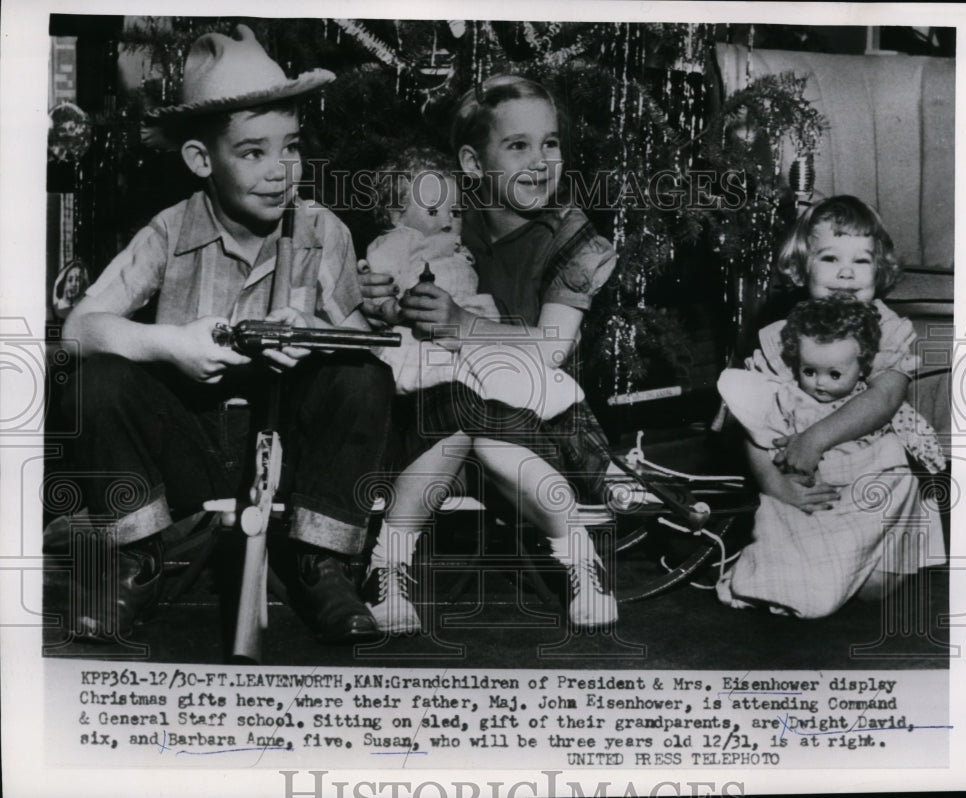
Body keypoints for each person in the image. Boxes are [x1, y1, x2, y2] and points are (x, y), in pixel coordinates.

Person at [61, 25, 394, 644]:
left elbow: (366, 351)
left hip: (287, 453)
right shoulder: (169, 228)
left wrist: (319, 336)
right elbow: (79, 329)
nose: (279, 172)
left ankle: (320, 563)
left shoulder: (323, 230)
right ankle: (138, 561)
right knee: (96, 380)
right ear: (199, 159)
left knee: (363, 377)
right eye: (252, 152)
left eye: (289, 147)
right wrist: (173, 344)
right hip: (188, 451)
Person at [359, 75, 619, 634]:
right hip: (437, 416)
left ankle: (578, 557)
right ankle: (388, 567)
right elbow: (394, 280)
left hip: (534, 421)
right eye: (518, 145)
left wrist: (463, 323)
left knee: (483, 417)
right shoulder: (451, 219)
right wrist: (383, 299)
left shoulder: (571, 239)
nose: (540, 160)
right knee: (453, 404)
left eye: (550, 143)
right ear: (474, 164)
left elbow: (551, 348)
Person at [717, 295, 946, 617]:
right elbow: (756, 435)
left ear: (863, 364)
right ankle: (781, 582)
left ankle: (844, 571)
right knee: (791, 551)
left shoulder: (866, 405)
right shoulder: (788, 396)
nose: (819, 383)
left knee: (896, 465)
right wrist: (777, 483)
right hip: (806, 498)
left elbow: (919, 449)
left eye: (834, 374)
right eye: (809, 370)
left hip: (859, 496)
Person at [365, 145, 583, 414]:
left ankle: (539, 389)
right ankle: (515, 391)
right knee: (468, 376)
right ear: (396, 217)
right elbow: (382, 283)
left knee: (491, 360)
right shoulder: (401, 240)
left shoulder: (462, 249)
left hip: (466, 329)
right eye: (433, 211)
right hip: (421, 338)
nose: (447, 222)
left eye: (455, 212)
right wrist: (394, 308)